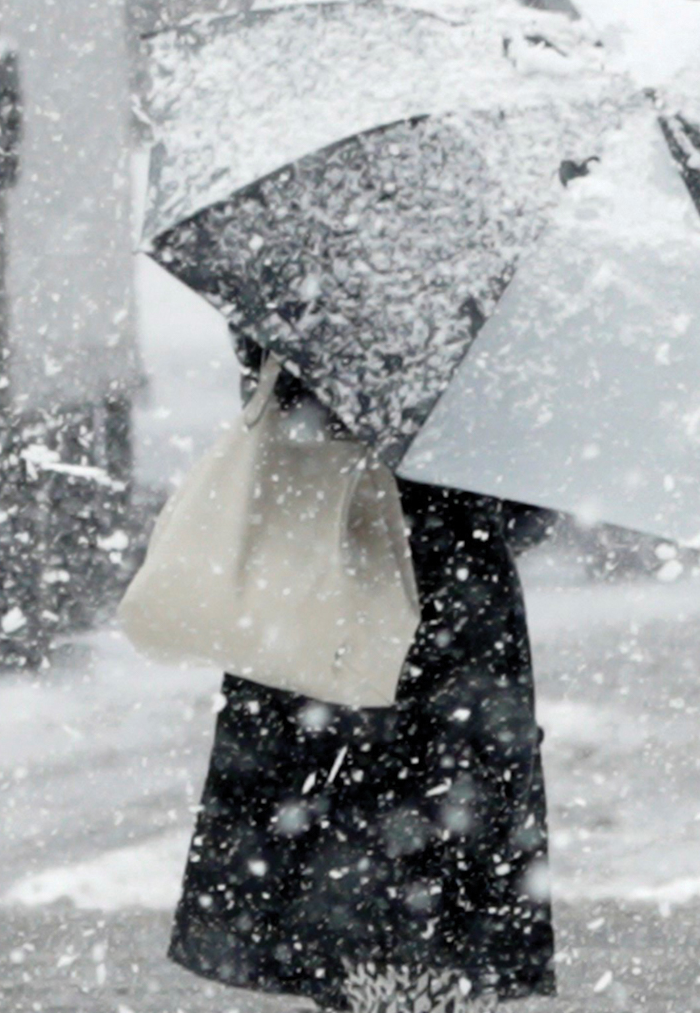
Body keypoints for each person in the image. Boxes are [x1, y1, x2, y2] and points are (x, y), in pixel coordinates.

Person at [168, 337, 557, 1012]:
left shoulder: (312, 292)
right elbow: (530, 501)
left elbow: (269, 421)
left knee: (332, 848)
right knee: (436, 872)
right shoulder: (508, 325)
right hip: (451, 610)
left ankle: (358, 983)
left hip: (319, 594)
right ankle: (407, 990)